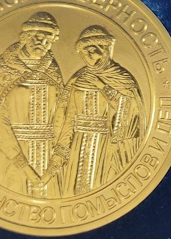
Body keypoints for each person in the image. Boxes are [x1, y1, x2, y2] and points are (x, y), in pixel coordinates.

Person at [0, 12, 66, 198]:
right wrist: (25, 167)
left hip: (46, 158)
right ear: (26, 36)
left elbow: (61, 117)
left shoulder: (53, 71)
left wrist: (54, 165)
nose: (42, 43)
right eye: (38, 37)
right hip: (9, 157)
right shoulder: (0, 71)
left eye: (48, 40)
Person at [44, 25, 144, 196]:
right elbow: (69, 120)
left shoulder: (122, 78)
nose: (89, 56)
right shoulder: (78, 80)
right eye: (85, 52)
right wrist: (57, 160)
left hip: (107, 148)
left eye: (93, 50)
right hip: (78, 147)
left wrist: (102, 86)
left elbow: (131, 110)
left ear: (105, 50)